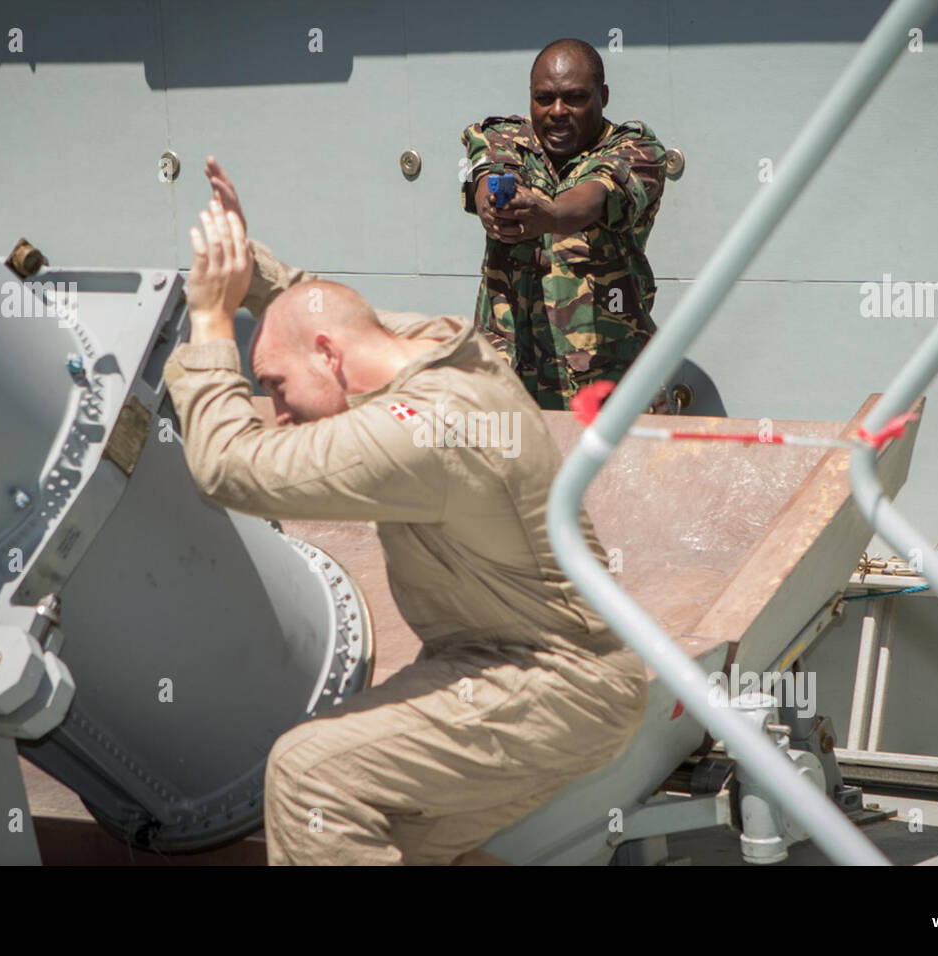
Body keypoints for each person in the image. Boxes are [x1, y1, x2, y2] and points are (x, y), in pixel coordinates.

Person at [158, 159, 649, 865]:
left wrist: (210, 325)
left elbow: (230, 467)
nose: (281, 414)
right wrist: (246, 264)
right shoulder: (433, 346)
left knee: (310, 778)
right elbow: (315, 306)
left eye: (276, 389)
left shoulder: (425, 431)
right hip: (509, 666)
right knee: (384, 840)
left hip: (555, 684)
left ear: (328, 358)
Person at [462, 37, 668, 411]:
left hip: (607, 389)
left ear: (603, 95)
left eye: (574, 98)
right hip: (512, 387)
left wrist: (550, 216)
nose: (557, 111)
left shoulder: (636, 149)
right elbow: (489, 170)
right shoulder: (506, 137)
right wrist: (490, 204)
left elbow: (595, 194)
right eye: (544, 98)